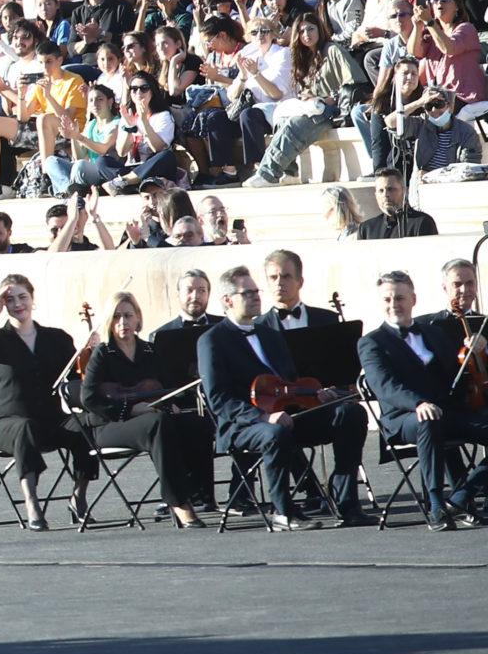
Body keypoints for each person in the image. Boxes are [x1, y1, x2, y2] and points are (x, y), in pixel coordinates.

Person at [198, 266, 373, 529]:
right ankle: (283, 512)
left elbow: (289, 381)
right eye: (247, 293)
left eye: (256, 291)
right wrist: (262, 416)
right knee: (274, 433)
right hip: (242, 425)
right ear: (227, 300)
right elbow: (218, 398)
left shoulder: (271, 335)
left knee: (350, 413)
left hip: (288, 414)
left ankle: (347, 503)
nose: (256, 297)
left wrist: (314, 396)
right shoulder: (212, 340)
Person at [0, 274, 95, 529]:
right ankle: (32, 504)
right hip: (5, 424)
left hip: (50, 420)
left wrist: (91, 354)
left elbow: (75, 378)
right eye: (9, 299)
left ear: (33, 299)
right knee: (24, 428)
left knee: (85, 426)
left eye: (22, 297)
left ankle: (78, 496)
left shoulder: (57, 338)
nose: (17, 304)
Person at [72, 293, 215, 527]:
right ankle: (178, 501)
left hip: (150, 418)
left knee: (198, 424)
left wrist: (170, 403)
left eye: (128, 315)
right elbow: (88, 398)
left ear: (138, 318)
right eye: (116, 316)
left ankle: (198, 493)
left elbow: (167, 387)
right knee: (158, 424)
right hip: (109, 425)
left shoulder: (150, 350)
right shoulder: (103, 353)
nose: (123, 322)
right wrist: (130, 410)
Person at [360, 269, 488, 530]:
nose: (394, 304)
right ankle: (436, 504)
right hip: (404, 417)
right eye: (387, 299)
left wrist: (475, 352)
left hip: (446, 411)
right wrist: (418, 403)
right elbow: (385, 386)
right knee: (427, 420)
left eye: (400, 298)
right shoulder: (371, 342)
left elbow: (457, 373)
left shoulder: (434, 333)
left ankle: (462, 496)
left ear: (413, 299)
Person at [352, 168, 440, 241]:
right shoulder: (366, 229)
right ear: (375, 195)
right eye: (381, 191)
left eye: (391, 189)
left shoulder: (422, 222)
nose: (386, 194)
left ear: (404, 191)